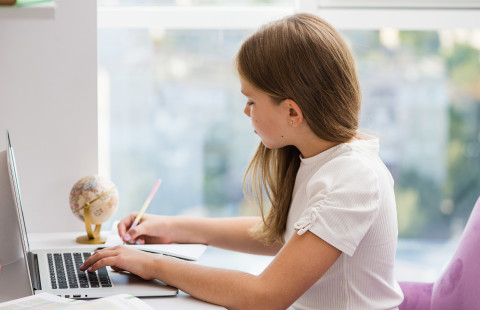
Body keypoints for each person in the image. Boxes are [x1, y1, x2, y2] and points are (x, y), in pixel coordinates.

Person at [81, 13, 404, 309]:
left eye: (251, 100)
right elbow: (286, 235)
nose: (246, 111)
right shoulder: (320, 158)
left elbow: (265, 296)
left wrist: (153, 265)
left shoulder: (352, 178)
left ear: (292, 111)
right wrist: (173, 229)